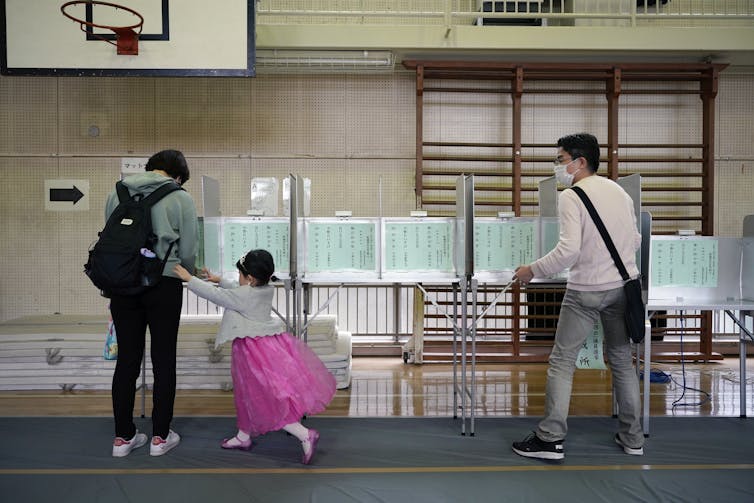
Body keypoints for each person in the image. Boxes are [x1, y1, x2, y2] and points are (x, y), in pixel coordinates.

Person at [511, 133, 644, 460]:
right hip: (624, 287)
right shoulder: (619, 191)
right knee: (623, 363)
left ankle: (550, 438)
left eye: (561, 159)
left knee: (562, 361)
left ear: (579, 161)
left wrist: (533, 269)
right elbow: (636, 239)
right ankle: (633, 439)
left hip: (586, 291)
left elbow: (568, 251)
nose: (559, 165)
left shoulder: (572, 195)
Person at [174, 249, 337, 464]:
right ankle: (243, 436)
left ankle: (304, 434)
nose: (238, 278)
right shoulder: (264, 288)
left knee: (265, 398)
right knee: (246, 393)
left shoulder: (244, 295)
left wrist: (190, 279)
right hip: (265, 347)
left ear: (250, 279)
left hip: (253, 351)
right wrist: (219, 279)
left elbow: (219, 296)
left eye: (240, 274)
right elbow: (237, 290)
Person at [108, 149, 198, 458]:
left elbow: (113, 240)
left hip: (123, 284)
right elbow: (188, 250)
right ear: (177, 175)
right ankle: (160, 437)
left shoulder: (117, 191)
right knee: (163, 359)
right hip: (165, 282)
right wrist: (191, 272)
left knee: (127, 361)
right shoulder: (180, 197)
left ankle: (123, 438)